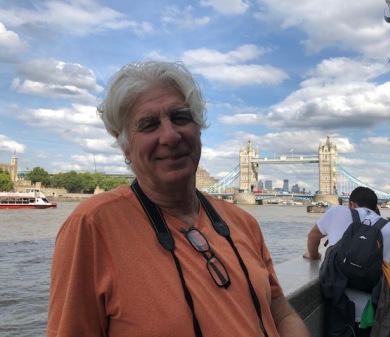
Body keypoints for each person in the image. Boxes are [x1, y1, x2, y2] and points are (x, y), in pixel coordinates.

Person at [46, 61, 310, 337]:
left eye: (180, 117)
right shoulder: (91, 226)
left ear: (198, 129)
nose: (170, 136)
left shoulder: (243, 222)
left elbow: (279, 311)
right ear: (125, 146)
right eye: (148, 125)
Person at [303, 186, 390, 336]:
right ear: (375, 207)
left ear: (351, 204)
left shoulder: (337, 212)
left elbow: (312, 237)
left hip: (337, 306)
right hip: (372, 313)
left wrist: (314, 255)